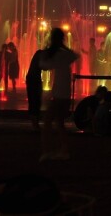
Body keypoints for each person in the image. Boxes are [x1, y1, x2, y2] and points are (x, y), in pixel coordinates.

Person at [39, 28, 79, 162]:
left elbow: (43, 65)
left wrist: (47, 48)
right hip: (65, 95)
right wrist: (63, 47)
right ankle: (64, 150)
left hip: (58, 95)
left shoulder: (56, 55)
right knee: (60, 123)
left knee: (47, 122)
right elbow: (75, 55)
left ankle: (47, 151)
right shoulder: (65, 55)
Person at [26, 48, 45, 129]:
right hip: (34, 79)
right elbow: (44, 67)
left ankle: (34, 122)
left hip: (32, 78)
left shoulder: (37, 55)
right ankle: (35, 122)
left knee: (33, 100)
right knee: (35, 100)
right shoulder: (40, 55)